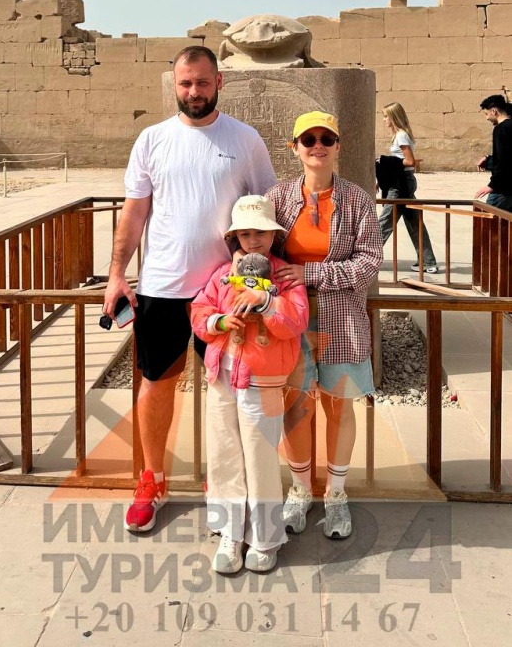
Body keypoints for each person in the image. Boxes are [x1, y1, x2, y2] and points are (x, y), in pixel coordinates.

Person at [102, 45, 276, 533]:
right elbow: (135, 211)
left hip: (224, 290)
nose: (193, 92)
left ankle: (224, 484)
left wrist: (264, 268)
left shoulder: (245, 139)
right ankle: (152, 480)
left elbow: (264, 208)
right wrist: (117, 273)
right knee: (157, 382)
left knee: (226, 388)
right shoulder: (152, 139)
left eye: (202, 82)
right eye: (185, 83)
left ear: (219, 82)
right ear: (175, 85)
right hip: (162, 285)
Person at [266, 111, 383, 539]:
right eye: (309, 139)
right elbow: (262, 249)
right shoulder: (278, 197)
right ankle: (300, 489)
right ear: (295, 147)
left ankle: (335, 493)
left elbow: (369, 261)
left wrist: (311, 273)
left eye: (326, 139)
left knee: (338, 404)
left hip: (342, 318)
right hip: (291, 320)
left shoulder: (357, 200)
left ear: (338, 146)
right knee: (296, 406)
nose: (318, 146)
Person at [191, 195, 309, 574]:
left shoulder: (284, 277)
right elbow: (200, 310)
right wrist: (219, 322)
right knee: (224, 453)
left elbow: (296, 321)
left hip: (263, 380)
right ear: (235, 237)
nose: (253, 240)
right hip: (222, 376)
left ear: (274, 236)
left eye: (260, 232)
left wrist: (266, 302)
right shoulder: (222, 275)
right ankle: (230, 532)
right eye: (245, 233)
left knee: (259, 457)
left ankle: (265, 537)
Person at [378, 102, 439, 274]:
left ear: (394, 117)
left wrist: (385, 162)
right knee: (414, 222)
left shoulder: (401, 136)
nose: (384, 120)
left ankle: (366, 258)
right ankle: (428, 261)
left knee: (385, 221)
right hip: (401, 181)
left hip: (401, 184)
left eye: (386, 116)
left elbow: (410, 161)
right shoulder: (400, 135)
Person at [475, 94, 512, 212]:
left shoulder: (501, 129)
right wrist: (488, 159)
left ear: (494, 111)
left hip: (503, 189)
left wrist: (492, 185)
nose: (487, 118)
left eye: (486, 114)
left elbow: (503, 161)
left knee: (487, 219)